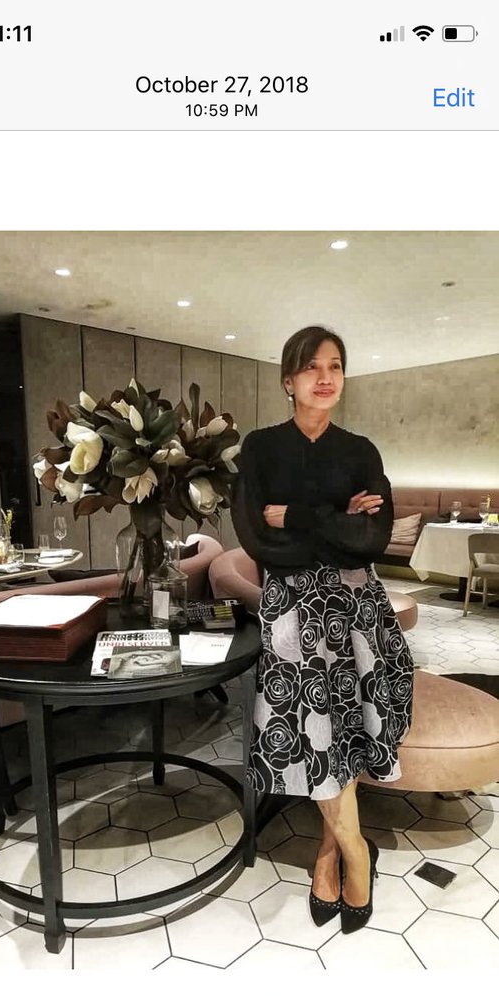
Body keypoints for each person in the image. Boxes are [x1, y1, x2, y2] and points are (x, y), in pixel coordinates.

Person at [232, 325, 414, 935]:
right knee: (314, 732)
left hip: (358, 609)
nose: (325, 377)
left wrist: (301, 516)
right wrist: (338, 520)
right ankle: (355, 850)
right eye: (311, 366)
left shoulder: (360, 451)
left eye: (335, 365)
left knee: (351, 726)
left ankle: (328, 853)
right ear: (289, 379)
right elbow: (261, 541)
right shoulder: (261, 448)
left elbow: (372, 539)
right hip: (292, 609)